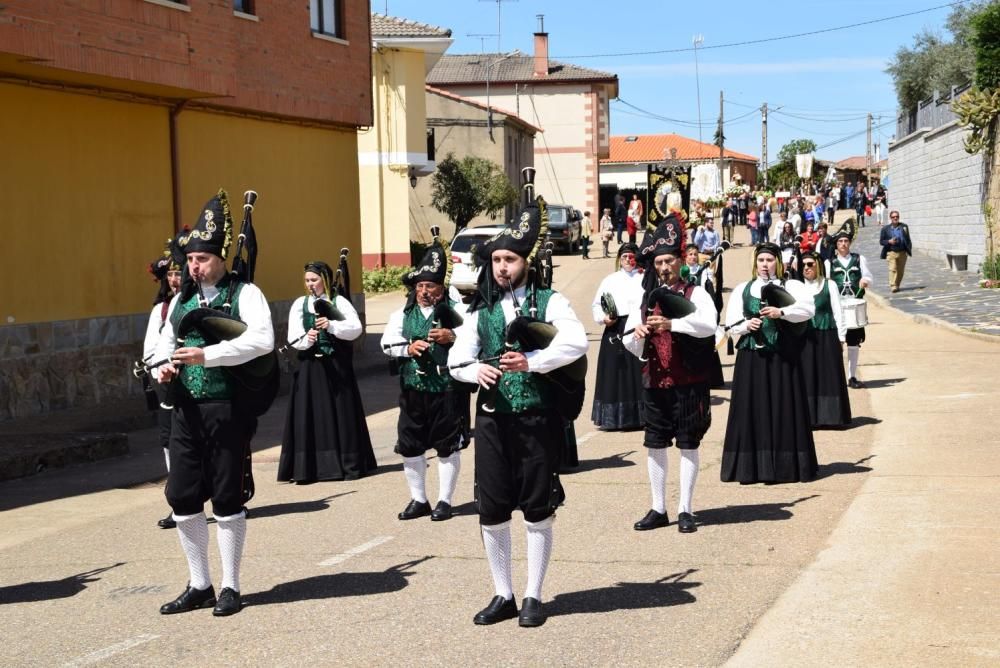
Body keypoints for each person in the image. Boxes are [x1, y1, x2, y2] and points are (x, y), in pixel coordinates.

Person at [448, 193, 588, 628]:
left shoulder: (550, 301)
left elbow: (576, 343)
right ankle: (502, 592)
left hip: (536, 417)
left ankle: (533, 595)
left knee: (536, 507)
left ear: (526, 261)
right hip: (492, 418)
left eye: (510, 259)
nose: (503, 267)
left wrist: (532, 361)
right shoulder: (481, 311)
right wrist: (476, 374)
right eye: (497, 261)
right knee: (490, 509)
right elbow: (457, 360)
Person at [155, 189, 275, 617]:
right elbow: (163, 347)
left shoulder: (245, 293)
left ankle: (231, 586)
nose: (194, 266)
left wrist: (210, 355)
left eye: (202, 259)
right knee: (182, 496)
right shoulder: (181, 301)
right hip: (186, 409)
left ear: (221, 257)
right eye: (190, 259)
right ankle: (198, 583)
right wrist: (163, 369)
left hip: (227, 408)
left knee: (227, 497)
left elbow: (263, 340)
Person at [623, 212, 717, 533]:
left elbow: (709, 325)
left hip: (689, 380)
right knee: (655, 444)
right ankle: (658, 507)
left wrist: (672, 323)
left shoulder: (696, 293)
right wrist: (636, 336)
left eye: (669, 261)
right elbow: (628, 342)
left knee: (688, 443)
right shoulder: (645, 297)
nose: (664, 267)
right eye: (659, 262)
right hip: (655, 380)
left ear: (680, 261)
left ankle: (686, 509)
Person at [381, 228, 467, 521]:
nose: (424, 292)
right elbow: (386, 344)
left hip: (446, 388)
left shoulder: (458, 311)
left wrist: (451, 337)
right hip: (412, 388)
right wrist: (408, 348)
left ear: (441, 288)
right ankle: (419, 499)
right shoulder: (402, 314)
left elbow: (473, 342)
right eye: (420, 286)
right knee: (410, 444)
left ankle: (445, 500)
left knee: (447, 445)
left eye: (430, 286)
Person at [721, 242, 818, 484]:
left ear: (778, 262)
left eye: (770, 260)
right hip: (752, 357)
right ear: (756, 263)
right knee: (752, 408)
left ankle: (786, 465)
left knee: (784, 406)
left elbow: (808, 310)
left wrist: (781, 312)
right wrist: (746, 326)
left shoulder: (791, 285)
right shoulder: (744, 288)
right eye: (762, 260)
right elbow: (730, 324)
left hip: (782, 355)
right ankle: (752, 467)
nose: (766, 265)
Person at [279, 256, 375, 484]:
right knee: (309, 415)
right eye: (307, 280)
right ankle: (308, 469)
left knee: (341, 413)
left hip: (335, 366)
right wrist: (307, 339)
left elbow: (355, 329)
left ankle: (347, 464)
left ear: (324, 280)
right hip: (310, 367)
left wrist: (331, 326)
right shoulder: (299, 305)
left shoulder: (339, 302)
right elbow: (293, 338)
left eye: (314, 279)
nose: (310, 284)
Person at [143, 235, 184, 529]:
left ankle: (226, 497)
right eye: (170, 274)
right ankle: (179, 502)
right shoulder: (161, 310)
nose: (174, 279)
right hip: (168, 385)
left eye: (178, 273)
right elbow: (150, 351)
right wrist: (159, 370)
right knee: (170, 442)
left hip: (198, 383)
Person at [591, 243, 645, 431]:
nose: (628, 260)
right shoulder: (610, 280)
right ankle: (614, 418)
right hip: (616, 328)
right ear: (619, 259)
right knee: (616, 372)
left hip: (639, 326)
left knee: (639, 371)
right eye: (624, 257)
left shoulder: (644, 277)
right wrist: (604, 319)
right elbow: (597, 305)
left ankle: (641, 416)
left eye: (631, 256)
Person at [799, 251, 851, 428]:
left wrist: (841, 337)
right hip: (805, 337)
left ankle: (832, 417)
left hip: (827, 334)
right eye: (803, 265)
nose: (806, 268)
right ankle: (810, 418)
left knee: (829, 374)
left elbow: (838, 311)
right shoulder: (798, 287)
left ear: (818, 265)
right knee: (808, 374)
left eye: (810, 264)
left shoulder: (829, 285)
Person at [827, 228, 874, 388]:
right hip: (837, 306)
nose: (843, 244)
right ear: (836, 245)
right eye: (840, 241)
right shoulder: (830, 262)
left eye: (846, 241)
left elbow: (868, 276)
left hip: (854, 303)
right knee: (836, 343)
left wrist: (865, 280)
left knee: (853, 343)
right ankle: (836, 377)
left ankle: (851, 376)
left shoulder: (859, 259)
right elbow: (826, 281)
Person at [879, 210, 912, 293]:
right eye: (893, 217)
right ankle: (893, 286)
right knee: (892, 269)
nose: (895, 218)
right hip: (891, 252)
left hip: (902, 252)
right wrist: (889, 242)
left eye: (897, 216)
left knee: (900, 271)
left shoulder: (904, 227)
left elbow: (908, 239)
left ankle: (897, 284)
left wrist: (908, 249)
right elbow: (881, 241)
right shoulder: (885, 229)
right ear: (890, 218)